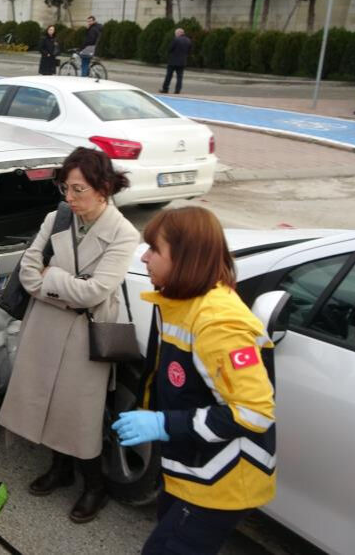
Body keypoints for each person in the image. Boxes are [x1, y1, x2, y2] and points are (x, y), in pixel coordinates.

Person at [113, 206, 276, 555]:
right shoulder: (181, 303)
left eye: (155, 249)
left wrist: (163, 422)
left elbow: (255, 412)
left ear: (184, 258)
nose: (144, 257)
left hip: (219, 480)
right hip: (189, 468)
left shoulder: (219, 322)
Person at [0, 147, 139, 523]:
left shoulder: (124, 234)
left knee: (81, 413)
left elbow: (97, 291)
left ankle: (95, 486)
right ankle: (60, 470)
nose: (70, 198)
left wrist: (52, 281)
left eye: (79, 189)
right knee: (46, 399)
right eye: (66, 188)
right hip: (45, 326)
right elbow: (28, 272)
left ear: (103, 188)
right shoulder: (57, 218)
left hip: (86, 333)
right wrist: (65, 286)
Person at [160, 28, 192, 95]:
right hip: (182, 62)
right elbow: (189, 51)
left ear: (178, 33)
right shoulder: (188, 40)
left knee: (168, 76)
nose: (175, 35)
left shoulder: (176, 39)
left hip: (173, 61)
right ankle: (177, 90)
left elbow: (170, 49)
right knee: (179, 77)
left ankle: (165, 89)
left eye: (176, 34)